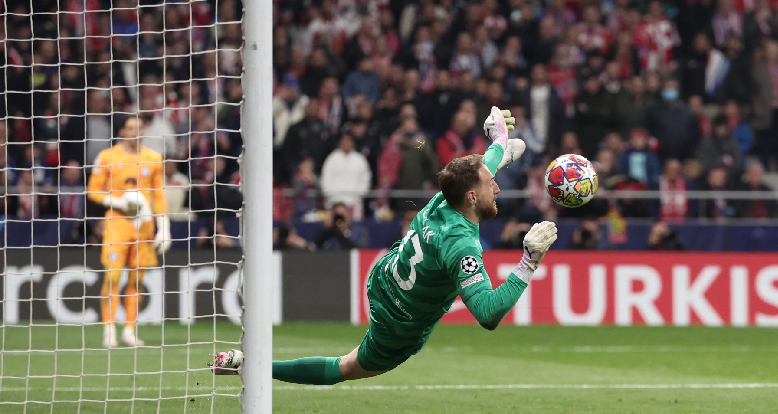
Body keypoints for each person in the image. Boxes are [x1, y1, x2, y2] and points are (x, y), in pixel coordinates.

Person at [213, 107, 558, 384]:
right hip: (399, 322)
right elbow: (488, 313)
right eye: (491, 183)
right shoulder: (461, 245)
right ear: (471, 196)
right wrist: (528, 261)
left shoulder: (447, 194)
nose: (497, 188)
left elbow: (484, 164)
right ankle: (250, 367)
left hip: (384, 277)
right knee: (347, 367)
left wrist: (499, 141)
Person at [87, 115, 171, 348]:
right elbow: (93, 190)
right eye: (131, 128)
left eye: (139, 128)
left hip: (144, 226)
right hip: (118, 223)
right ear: (122, 131)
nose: (135, 132)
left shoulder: (153, 158)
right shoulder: (107, 157)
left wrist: (164, 227)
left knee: (136, 279)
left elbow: (159, 195)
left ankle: (129, 331)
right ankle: (109, 331)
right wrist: (118, 202)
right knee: (113, 276)